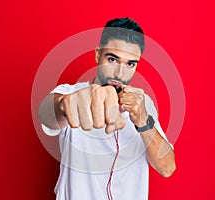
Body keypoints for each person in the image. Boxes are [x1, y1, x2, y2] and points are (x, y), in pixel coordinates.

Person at [38, 17, 176, 200]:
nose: (120, 73)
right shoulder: (70, 92)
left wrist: (143, 121)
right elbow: (46, 114)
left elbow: (167, 168)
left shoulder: (143, 105)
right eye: (112, 59)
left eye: (130, 64)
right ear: (97, 55)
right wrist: (66, 105)